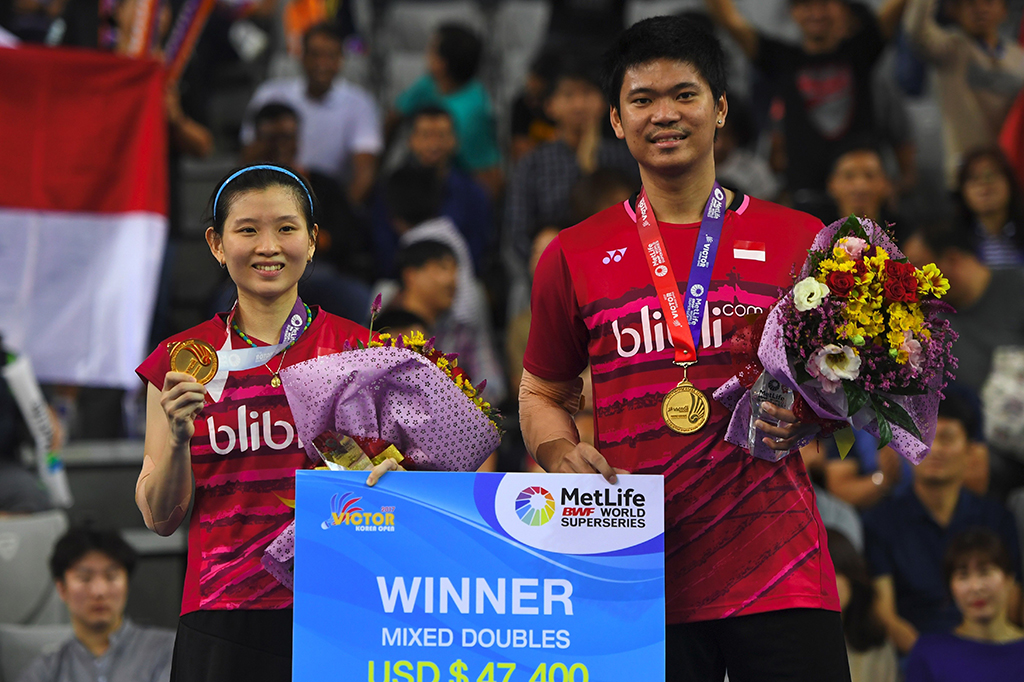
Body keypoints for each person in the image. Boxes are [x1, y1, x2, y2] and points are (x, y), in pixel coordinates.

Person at [520, 16, 850, 681]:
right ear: (616, 120)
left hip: (779, 570)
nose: (663, 114)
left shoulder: (802, 239)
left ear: (720, 109)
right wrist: (557, 450)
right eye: (642, 99)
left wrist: (814, 414)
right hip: (637, 573)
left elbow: (844, 382)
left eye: (684, 94)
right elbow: (540, 392)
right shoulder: (572, 253)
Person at [135, 164, 396, 681]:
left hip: (339, 603)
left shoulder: (359, 350)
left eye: (286, 228)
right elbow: (160, 519)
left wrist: (395, 481)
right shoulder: (181, 360)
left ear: (313, 240)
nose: (268, 246)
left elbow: (389, 491)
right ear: (215, 243)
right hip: (222, 613)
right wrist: (178, 441)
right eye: (247, 229)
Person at [863, 392, 1022, 654]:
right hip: (919, 655)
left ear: (971, 450)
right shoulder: (881, 520)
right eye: (924, 438)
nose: (934, 449)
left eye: (946, 438)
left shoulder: (997, 518)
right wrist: (936, 661)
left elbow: (1012, 602)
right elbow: (886, 615)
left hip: (990, 648)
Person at [705, 0, 908, 201]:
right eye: (806, 6)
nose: (816, 13)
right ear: (793, 12)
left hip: (858, 194)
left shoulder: (861, 50)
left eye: (824, 4)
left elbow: (895, 8)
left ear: (841, 8)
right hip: (805, 195)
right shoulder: (781, 59)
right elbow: (730, 20)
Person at [503, 58, 639, 319]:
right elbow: (517, 232)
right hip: (550, 267)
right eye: (568, 95)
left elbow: (636, 217)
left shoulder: (625, 156)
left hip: (615, 265)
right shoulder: (532, 163)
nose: (579, 104)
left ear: (603, 104)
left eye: (587, 94)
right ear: (550, 106)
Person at [904, 221, 1024, 497]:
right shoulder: (931, 323)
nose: (912, 284)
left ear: (952, 261)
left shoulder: (1018, 287)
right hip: (986, 454)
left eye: (920, 269)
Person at [241, 23, 382, 205]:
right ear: (302, 56)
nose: (322, 64)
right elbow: (247, 159)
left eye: (330, 56)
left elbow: (365, 175)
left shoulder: (360, 103)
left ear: (341, 59)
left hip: (332, 200)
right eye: (315, 55)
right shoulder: (270, 95)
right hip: (270, 195)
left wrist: (339, 219)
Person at [17, 527, 174, 682]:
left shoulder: (169, 650)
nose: (99, 591)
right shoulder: (46, 670)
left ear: (127, 583)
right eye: (84, 578)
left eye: (111, 577)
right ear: (62, 588)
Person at [904, 0, 1024, 185]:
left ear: (1004, 11)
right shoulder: (951, 50)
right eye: (970, 3)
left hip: (1013, 172)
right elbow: (916, 31)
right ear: (956, 11)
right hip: (966, 176)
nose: (980, 9)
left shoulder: (1019, 58)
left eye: (989, 2)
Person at [372, 106, 494, 274]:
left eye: (441, 136)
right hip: (402, 282)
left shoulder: (474, 194)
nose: (434, 145)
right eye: (426, 135)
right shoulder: (390, 188)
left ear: (455, 141)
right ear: (411, 140)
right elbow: (383, 246)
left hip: (457, 282)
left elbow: (477, 249)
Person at [386, 238, 506, 407]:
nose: (451, 280)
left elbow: (493, 386)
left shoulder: (464, 331)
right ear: (411, 275)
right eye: (441, 269)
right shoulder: (382, 328)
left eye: (454, 270)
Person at [391, 23, 502, 195]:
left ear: (441, 63)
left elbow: (488, 177)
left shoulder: (472, 115)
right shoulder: (429, 83)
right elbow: (394, 116)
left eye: (431, 49)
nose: (426, 54)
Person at [905, 528, 1024, 681]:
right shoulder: (929, 652)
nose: (975, 587)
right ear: (950, 587)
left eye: (985, 572)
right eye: (963, 576)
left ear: (1009, 580)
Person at [827, 529, 898, 682]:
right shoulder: (790, 646)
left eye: (835, 570)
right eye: (816, 572)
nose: (825, 582)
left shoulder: (877, 645)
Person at [953, 146, 1024, 267]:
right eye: (973, 178)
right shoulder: (953, 243)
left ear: (1009, 182)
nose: (983, 184)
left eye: (991, 175)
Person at [713, 97, 780, 202]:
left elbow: (768, 210)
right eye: (714, 134)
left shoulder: (755, 170)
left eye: (727, 134)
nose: (719, 144)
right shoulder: (686, 168)